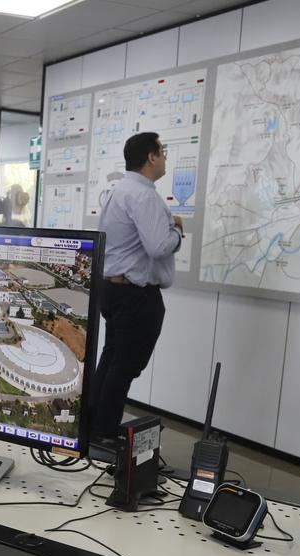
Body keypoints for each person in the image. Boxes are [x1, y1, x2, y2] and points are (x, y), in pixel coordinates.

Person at [91, 132, 183, 442]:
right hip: (135, 295)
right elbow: (158, 246)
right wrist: (176, 231)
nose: (166, 157)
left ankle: (94, 425)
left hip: (113, 290)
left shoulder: (120, 190)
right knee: (124, 367)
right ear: (151, 158)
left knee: (112, 359)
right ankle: (104, 433)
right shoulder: (143, 195)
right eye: (163, 151)